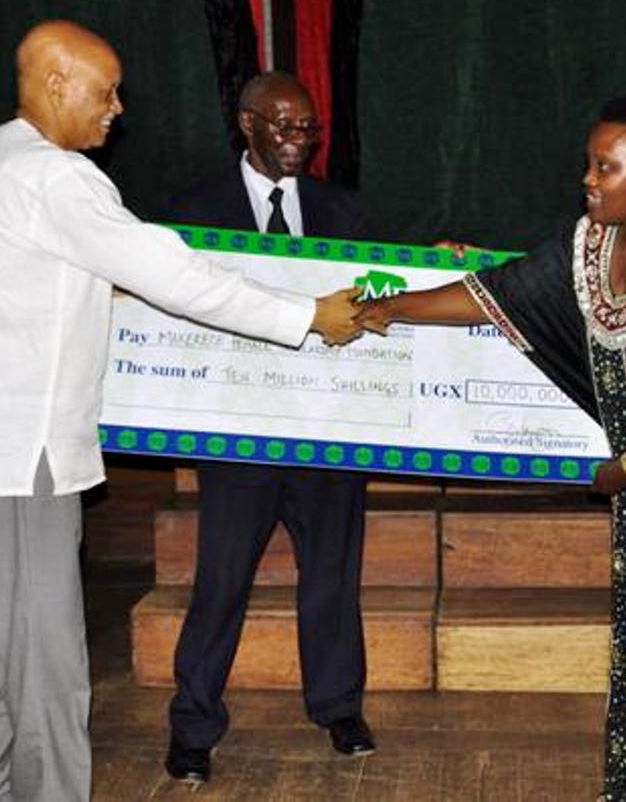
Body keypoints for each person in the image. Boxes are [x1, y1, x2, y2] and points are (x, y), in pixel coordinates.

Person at [0, 20, 361, 802]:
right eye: (106, 90)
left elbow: (46, 281)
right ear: (56, 84)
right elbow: (174, 274)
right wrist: (305, 317)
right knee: (49, 667)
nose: (118, 108)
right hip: (25, 458)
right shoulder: (59, 179)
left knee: (7, 643)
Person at [355, 97, 626, 801]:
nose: (588, 178)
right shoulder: (596, 241)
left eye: (605, 166)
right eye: (589, 163)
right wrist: (394, 307)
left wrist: (624, 470)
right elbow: (501, 292)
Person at [163, 72, 374, 786]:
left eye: (309, 130)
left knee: (333, 579)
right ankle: (194, 725)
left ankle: (339, 708)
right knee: (220, 581)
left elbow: (377, 298)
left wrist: (434, 263)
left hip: (327, 433)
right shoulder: (191, 210)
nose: (298, 141)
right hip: (237, 436)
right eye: (284, 127)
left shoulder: (343, 207)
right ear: (247, 123)